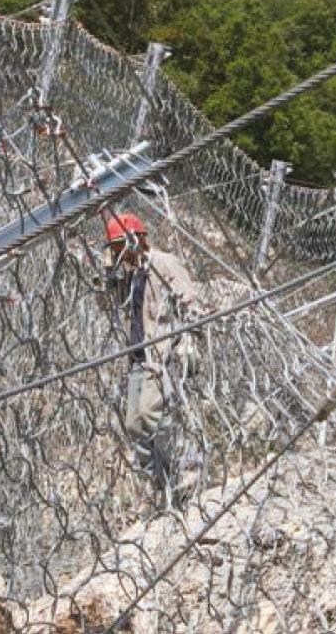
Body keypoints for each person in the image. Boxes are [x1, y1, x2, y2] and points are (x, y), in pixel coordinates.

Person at [100, 212, 203, 508]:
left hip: (161, 351)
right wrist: (109, 278)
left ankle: (187, 467)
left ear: (137, 240)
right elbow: (108, 307)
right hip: (138, 355)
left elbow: (190, 300)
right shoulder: (131, 274)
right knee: (134, 425)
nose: (118, 253)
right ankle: (163, 484)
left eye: (120, 246)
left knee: (154, 413)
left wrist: (186, 338)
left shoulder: (162, 264)